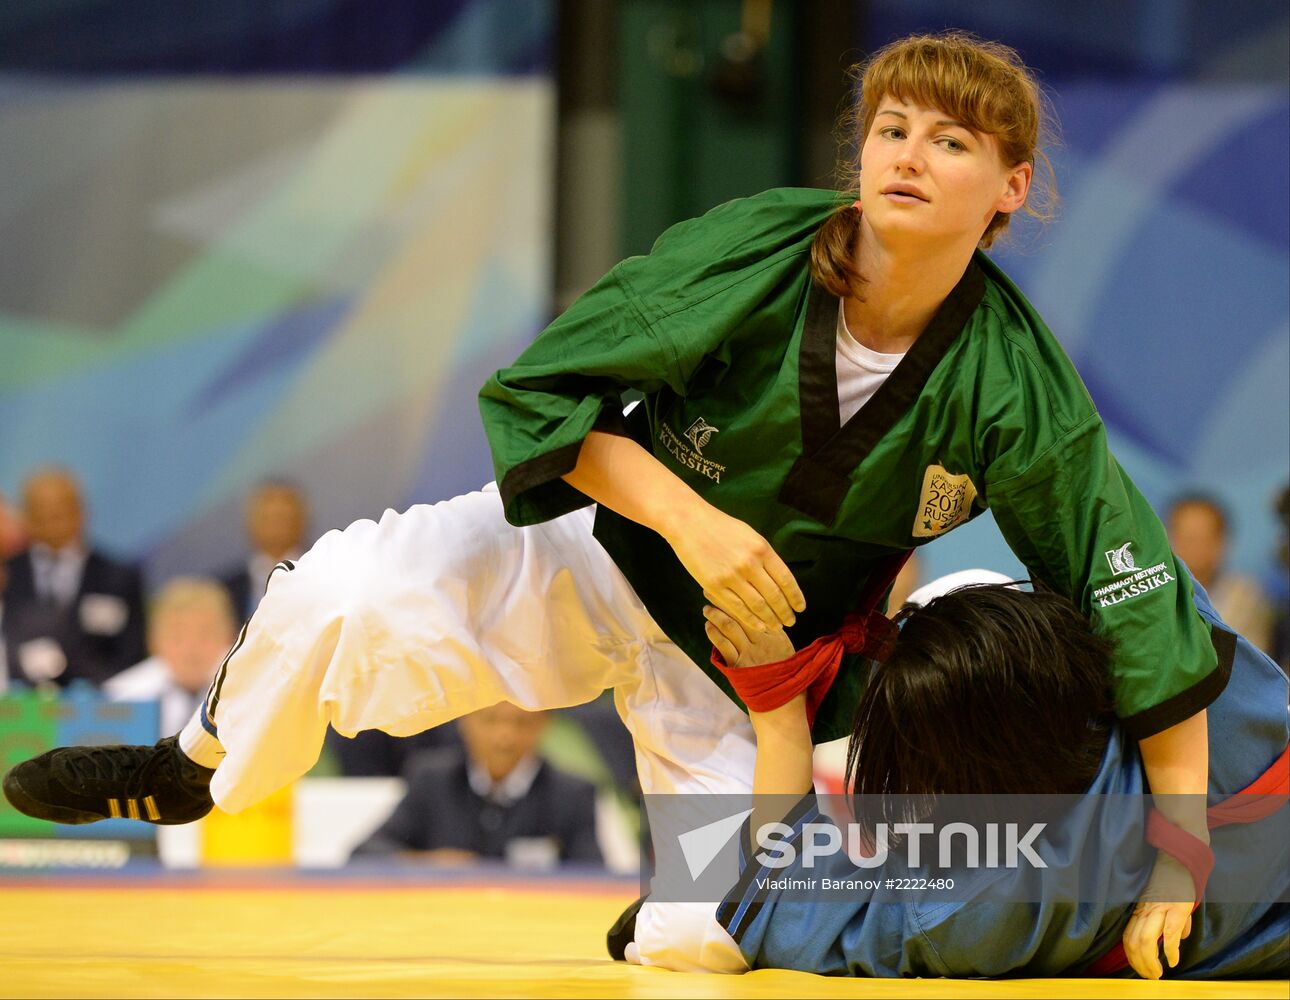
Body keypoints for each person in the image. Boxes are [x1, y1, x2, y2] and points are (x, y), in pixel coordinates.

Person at [3, 32, 1220, 967]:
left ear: (1012, 188)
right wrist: (693, 518)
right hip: (589, 553)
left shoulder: (1017, 387)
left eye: (950, 143)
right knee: (331, 593)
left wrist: (1178, 855)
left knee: (715, 935)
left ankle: (667, 901)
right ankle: (198, 762)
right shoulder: (758, 250)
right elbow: (547, 396)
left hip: (736, 671)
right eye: (890, 127)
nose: (908, 153)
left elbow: (1137, 607)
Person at [683, 576, 1287, 980]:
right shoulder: (1181, 650)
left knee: (680, 926)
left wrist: (777, 711)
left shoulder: (980, 905)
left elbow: (778, 894)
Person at [350, 702, 601, 867]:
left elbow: (594, 874)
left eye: (521, 722)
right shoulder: (431, 780)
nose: (504, 736)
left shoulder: (572, 793)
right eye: (490, 720)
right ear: (464, 721)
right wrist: (429, 862)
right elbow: (366, 852)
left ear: (543, 725)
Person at [1, 467, 146, 686]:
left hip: (101, 708)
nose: (53, 519)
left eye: (62, 509)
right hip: (19, 709)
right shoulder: (6, 576)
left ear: (82, 510)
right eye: (42, 511)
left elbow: (133, 654)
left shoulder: (118, 578)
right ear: (26, 516)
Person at [104, 578, 239, 737]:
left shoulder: (250, 692)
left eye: (205, 634)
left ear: (229, 637)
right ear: (153, 640)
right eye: (177, 636)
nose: (191, 649)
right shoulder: (121, 698)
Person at [1167, 495, 1275, 655]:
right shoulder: (1150, 592)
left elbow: (1249, 662)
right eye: (1185, 537)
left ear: (1222, 542)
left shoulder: (1247, 597)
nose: (1192, 547)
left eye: (1201, 538)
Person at [217, 479, 309, 621]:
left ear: (301, 521)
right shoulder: (226, 590)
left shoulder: (326, 575)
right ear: (251, 523)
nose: (276, 527)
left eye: (283, 518)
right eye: (269, 518)